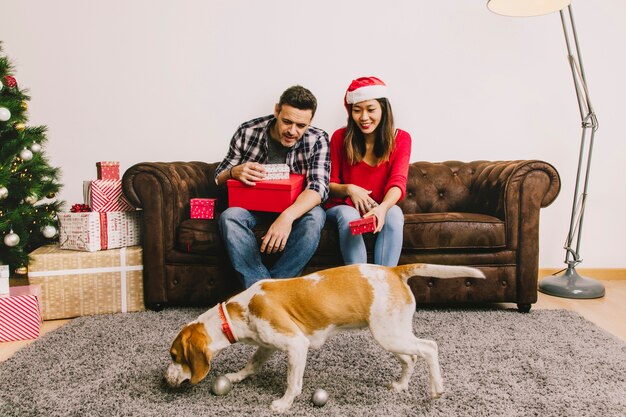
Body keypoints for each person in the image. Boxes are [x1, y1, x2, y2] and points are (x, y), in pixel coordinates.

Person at [214, 85, 330, 288]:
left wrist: (287, 217)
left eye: (301, 125)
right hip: (252, 208)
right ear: (277, 111)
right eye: (287, 121)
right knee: (229, 216)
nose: (292, 131)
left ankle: (269, 289)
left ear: (310, 122)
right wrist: (234, 172)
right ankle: (265, 290)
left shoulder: (318, 139)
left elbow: (319, 188)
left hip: (295, 209)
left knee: (316, 216)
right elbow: (218, 177)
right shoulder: (248, 130)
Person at [325, 76, 411, 266]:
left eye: (371, 109)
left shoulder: (402, 139)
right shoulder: (340, 137)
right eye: (357, 110)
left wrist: (382, 208)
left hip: (378, 205)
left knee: (394, 213)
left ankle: (385, 282)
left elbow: (398, 182)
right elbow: (329, 185)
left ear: (383, 109)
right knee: (349, 215)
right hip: (342, 206)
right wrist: (349, 189)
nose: (364, 117)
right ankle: (360, 281)